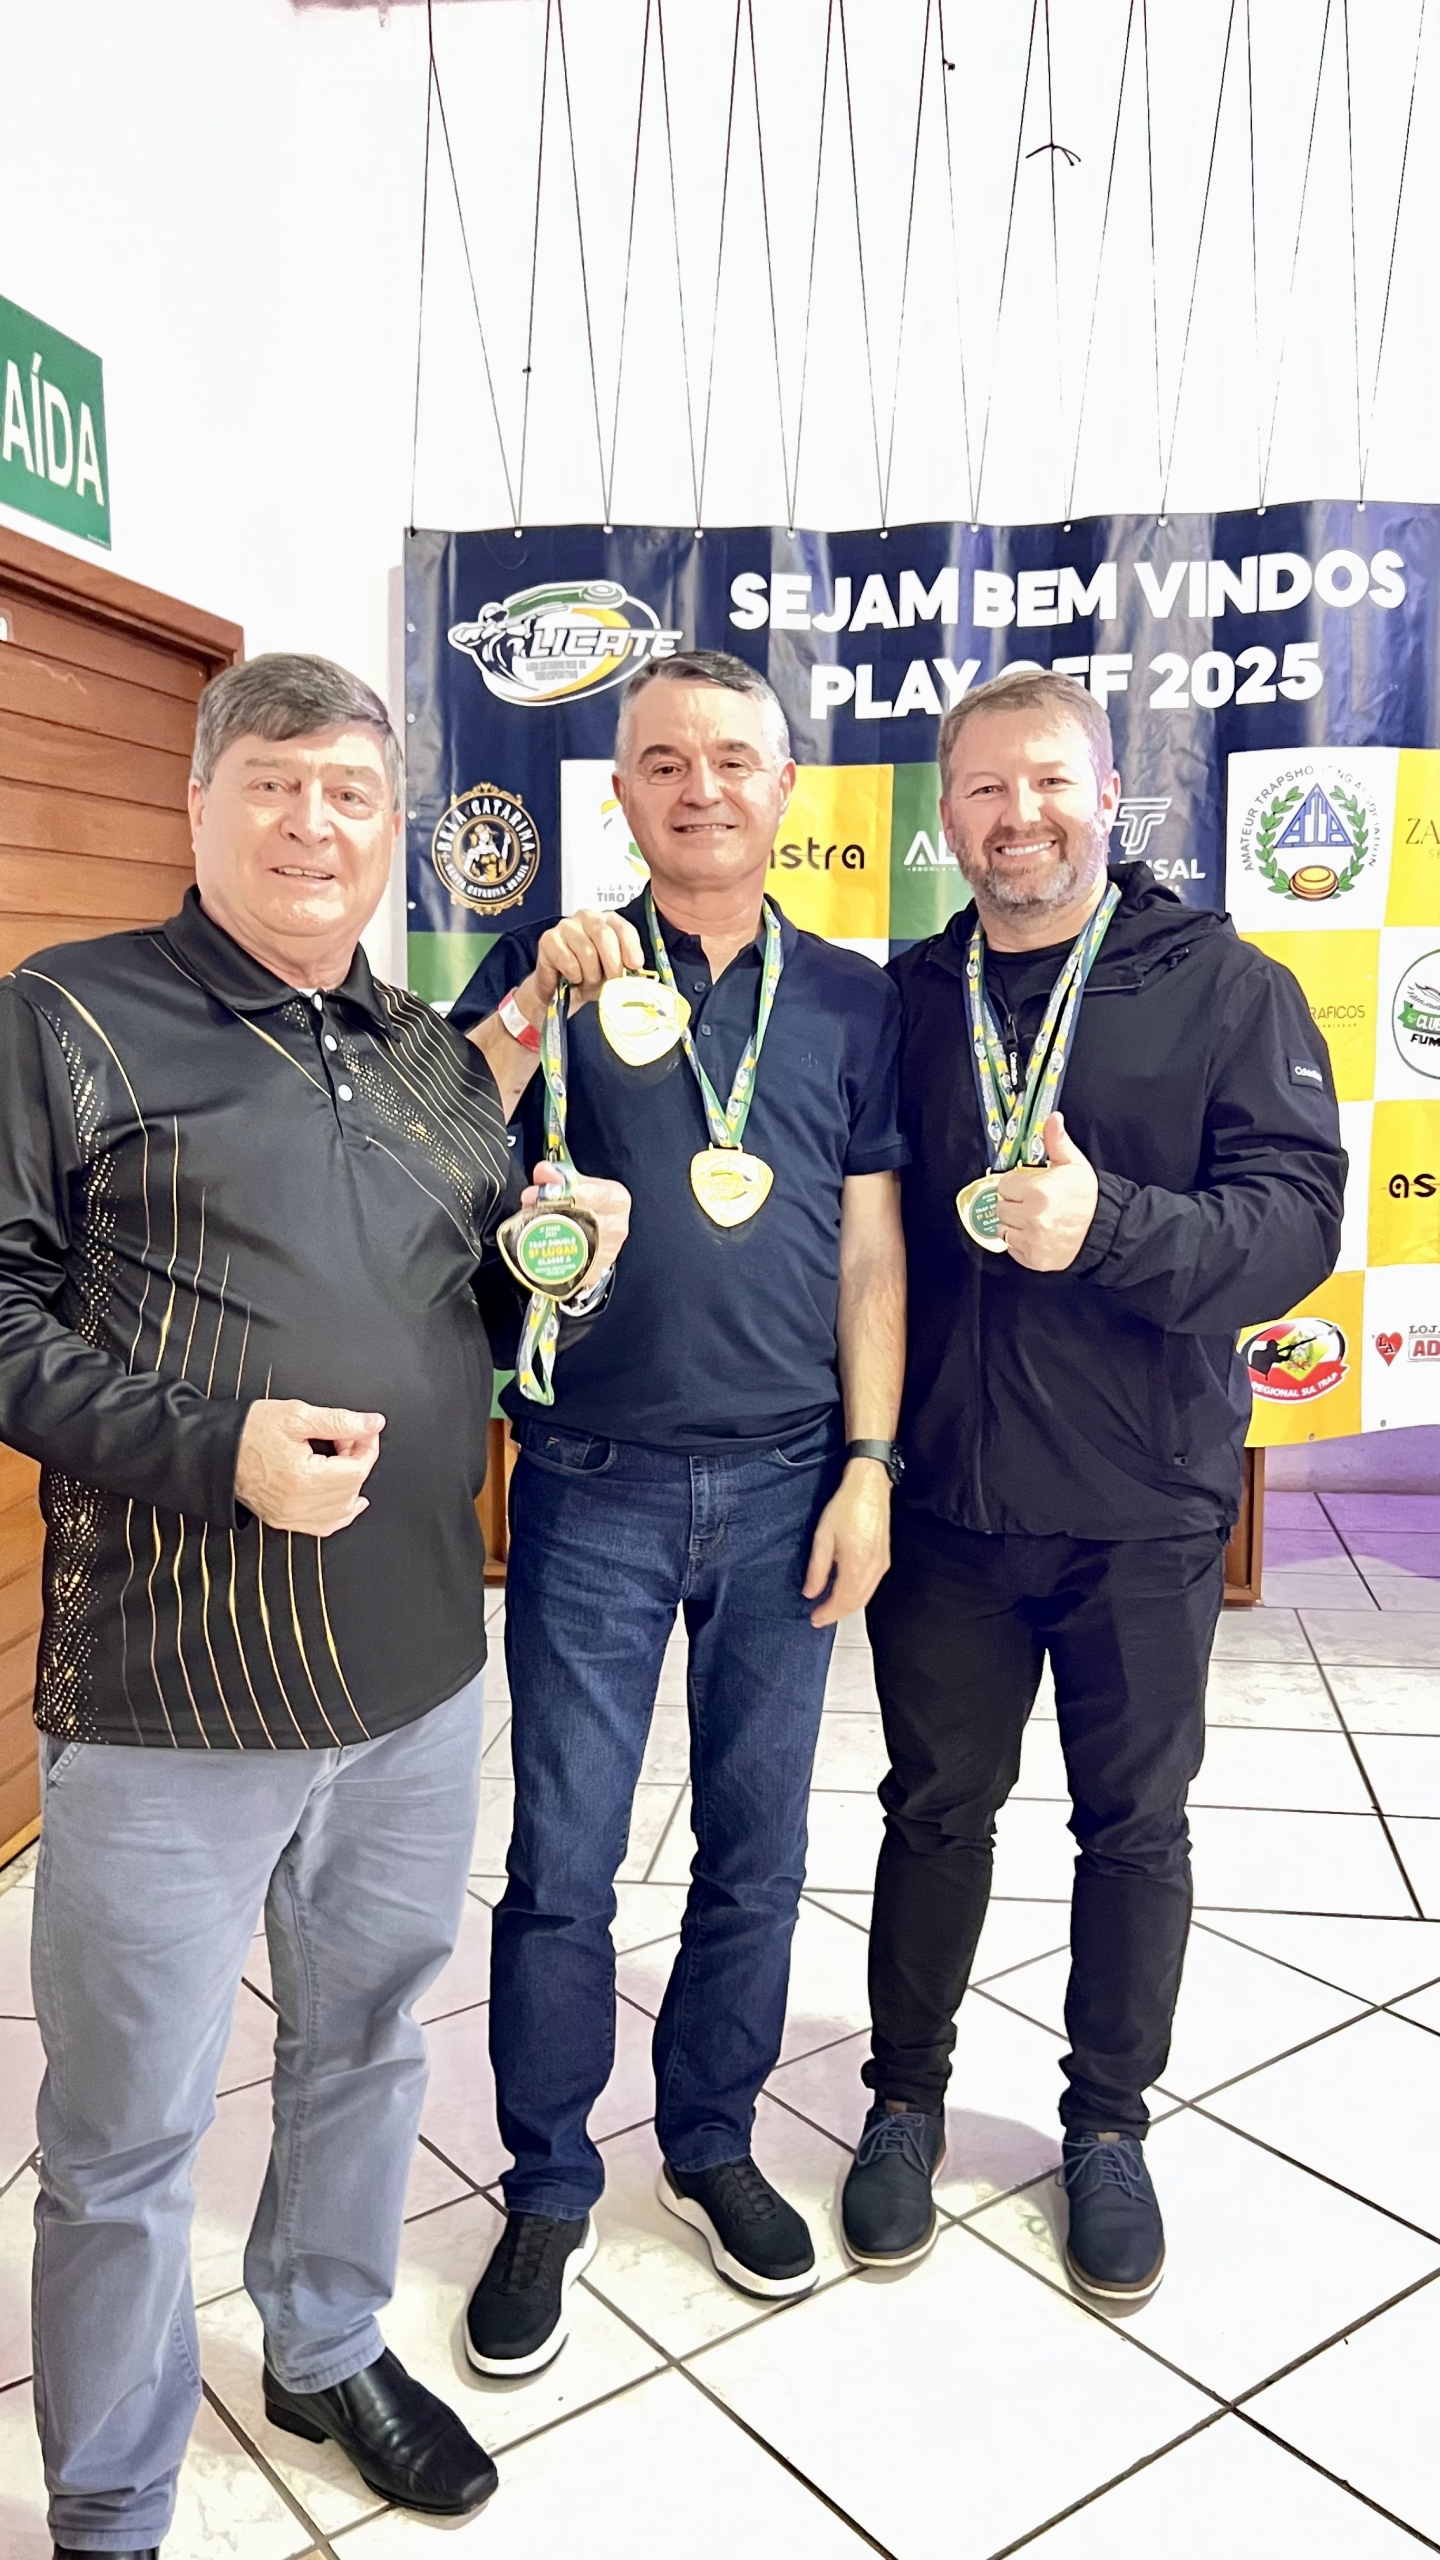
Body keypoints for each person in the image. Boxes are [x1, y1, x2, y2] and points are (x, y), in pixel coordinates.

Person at [0, 653, 628, 2560]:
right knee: (125, 2133)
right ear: (199, 803)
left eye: (352, 791)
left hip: (417, 1673)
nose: (312, 823)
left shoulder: (432, 1051)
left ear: (392, 830)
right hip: (170, 1686)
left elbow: (468, 1306)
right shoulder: (69, 1017)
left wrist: (562, 1268)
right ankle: (112, 2497)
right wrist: (216, 1451)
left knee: (369, 2048)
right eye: (272, 783)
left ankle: (327, 2343)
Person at [839, 667, 1345, 2301]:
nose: (1020, 816)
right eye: (985, 788)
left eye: (1050, 781)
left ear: (1110, 795)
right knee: (932, 1811)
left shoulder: (1227, 988)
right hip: (949, 1510)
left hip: (1144, 1507)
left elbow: (1296, 1223)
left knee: (1134, 1827)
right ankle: (903, 2100)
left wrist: (1110, 1224)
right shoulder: (907, 1000)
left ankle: (1108, 2124)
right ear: (946, 812)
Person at [451, 648, 907, 2372]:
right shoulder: (553, 965)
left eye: (732, 759)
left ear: (786, 790)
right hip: (589, 1482)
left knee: (758, 1850)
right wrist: (526, 1005)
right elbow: (439, 1147)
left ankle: (709, 2143)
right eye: (662, 761)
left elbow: (871, 1254)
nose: (700, 786)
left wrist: (870, 1465)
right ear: (623, 795)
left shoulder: (853, 1000)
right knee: (562, 1860)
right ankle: (549, 2183)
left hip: (792, 1480)